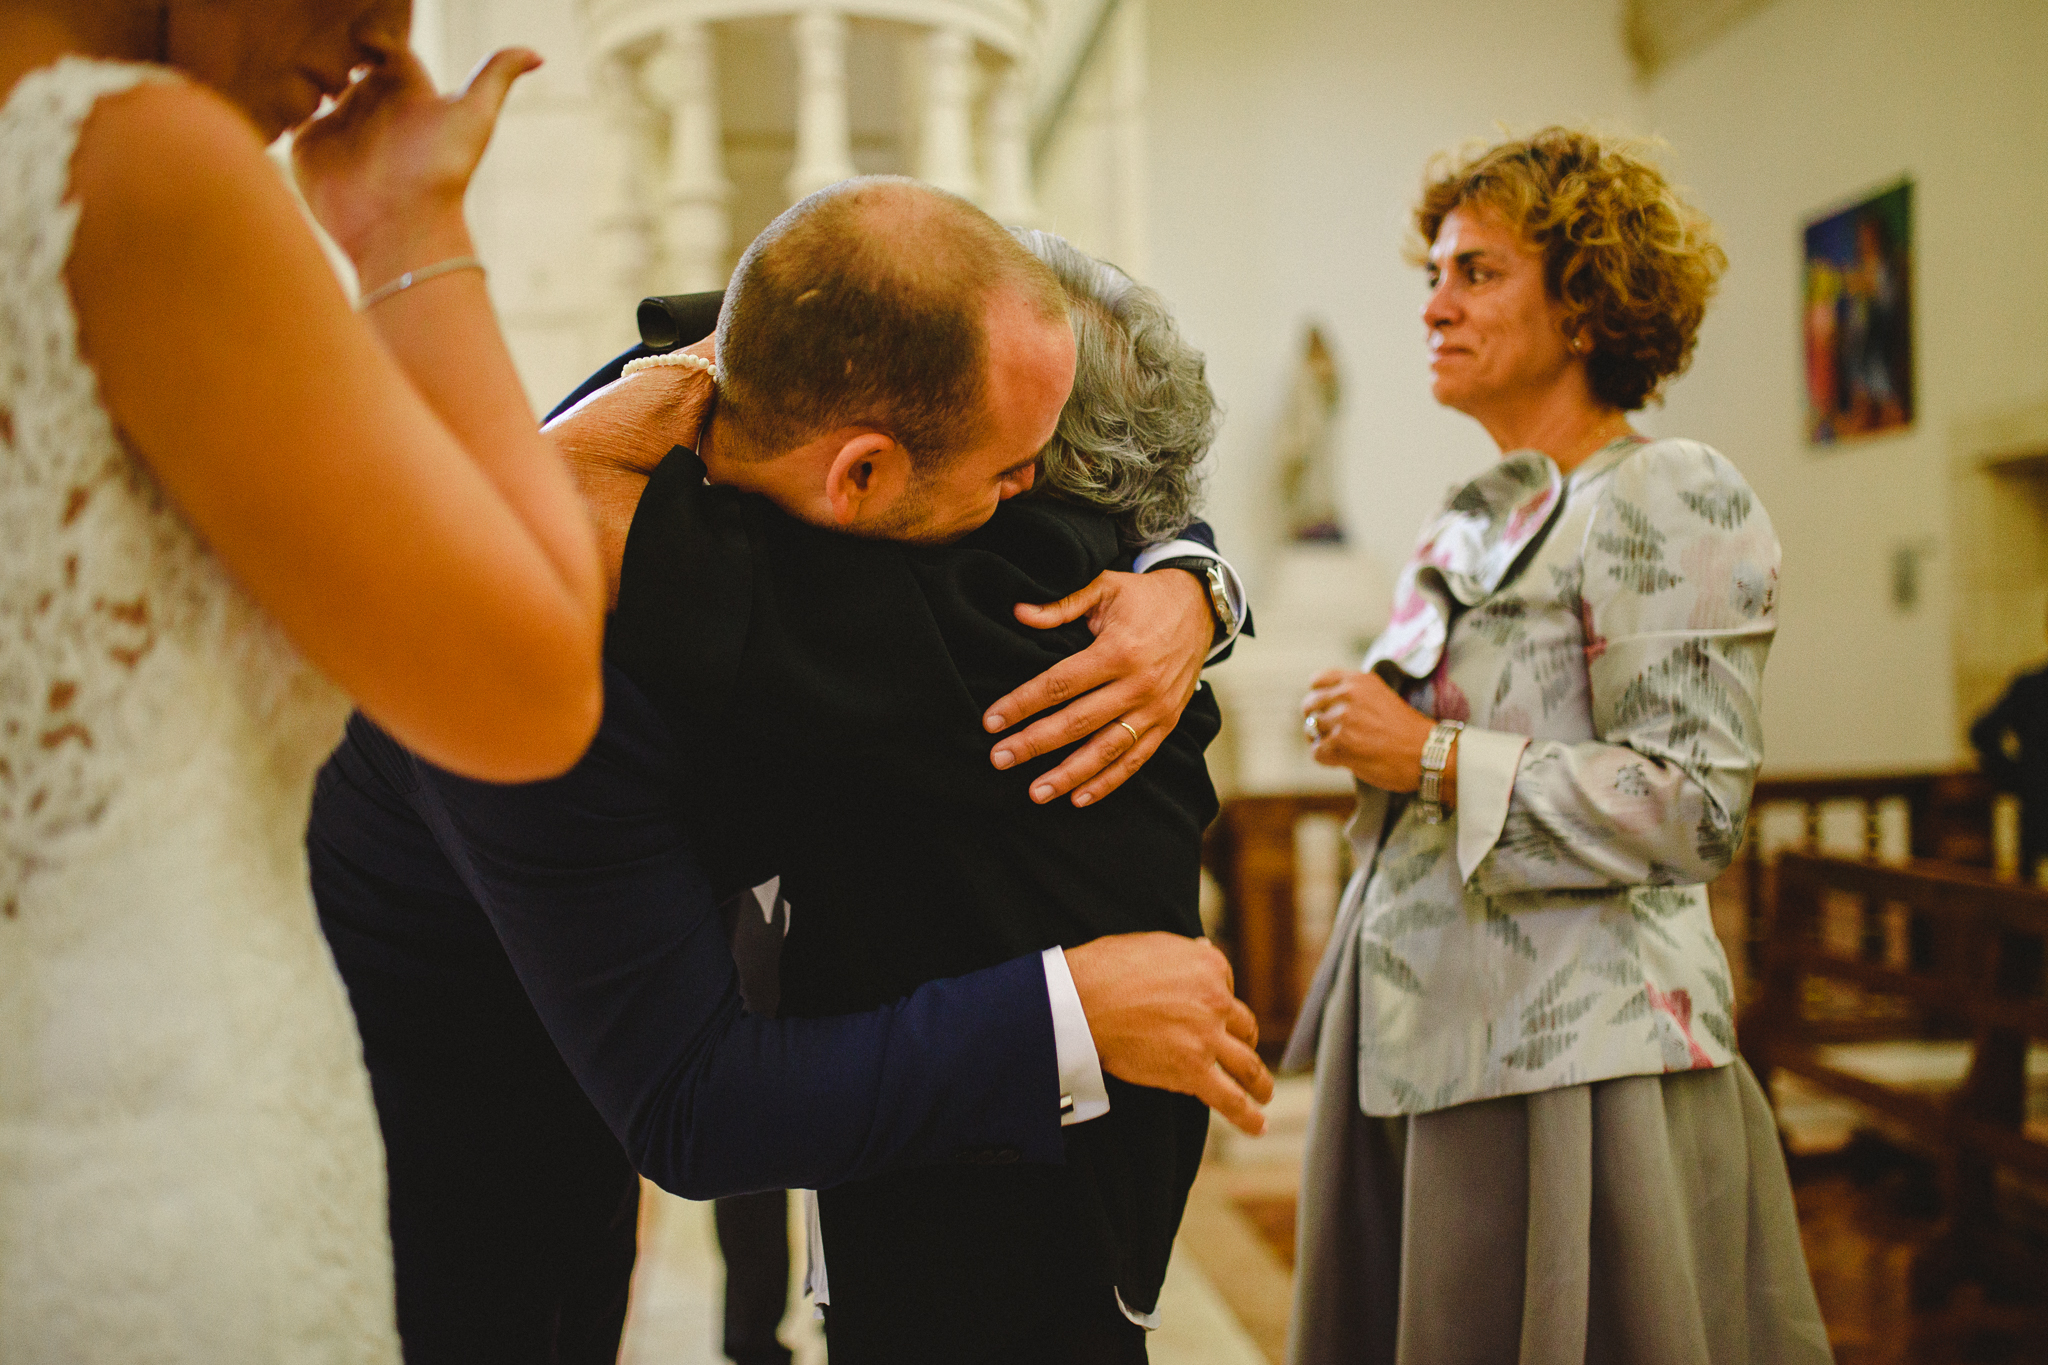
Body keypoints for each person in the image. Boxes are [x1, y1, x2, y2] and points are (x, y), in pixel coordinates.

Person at [309, 181, 1268, 1365]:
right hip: (432, 1133)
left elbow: (1107, 512)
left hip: (611, 1079)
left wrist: (1188, 579)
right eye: (1013, 478)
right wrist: (1074, 1010)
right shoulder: (545, 651)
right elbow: (691, 1102)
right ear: (858, 476)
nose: (1035, 509)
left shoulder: (799, 378)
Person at [1, 3, 612, 1359]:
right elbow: (533, 688)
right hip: (156, 1176)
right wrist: (410, 227)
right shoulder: (128, 164)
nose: (386, 28)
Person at [615, 220, 1230, 1363]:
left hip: (1006, 1193)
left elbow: (659, 472)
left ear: (1035, 448)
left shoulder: (1001, 606)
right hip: (1030, 1144)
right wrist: (1198, 572)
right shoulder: (1081, 581)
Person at [1288, 129, 1831, 1363]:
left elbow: (1691, 807)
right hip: (1430, 1037)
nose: (1433, 306)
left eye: (1475, 273)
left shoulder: (1666, 488)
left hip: (1577, 1062)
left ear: (1584, 302)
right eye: (1432, 274)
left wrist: (1423, 757)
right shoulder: (1491, 512)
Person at [1970, 618, 2048, 882]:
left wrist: (2015, 775)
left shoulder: (2030, 686)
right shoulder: (2031, 686)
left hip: (2038, 806)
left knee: (2027, 896)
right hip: (2037, 805)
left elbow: (1982, 732)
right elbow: (1981, 731)